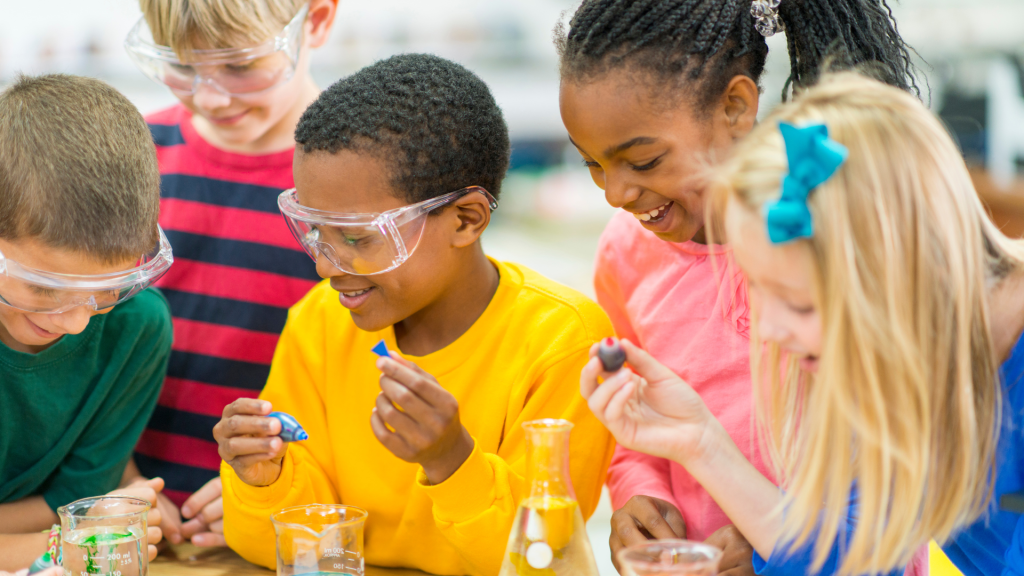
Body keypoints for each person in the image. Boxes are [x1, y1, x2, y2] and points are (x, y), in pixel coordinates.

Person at [582, 72, 1024, 575]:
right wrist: (699, 442)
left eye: (800, 303)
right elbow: (853, 556)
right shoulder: (910, 353)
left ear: (903, 267)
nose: (767, 330)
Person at [215, 53, 617, 575]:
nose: (323, 266)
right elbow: (282, 543)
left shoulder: (563, 341)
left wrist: (451, 459)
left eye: (357, 237)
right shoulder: (318, 322)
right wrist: (262, 476)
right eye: (315, 231)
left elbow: (539, 561)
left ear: (466, 219)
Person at [554, 0, 919, 572]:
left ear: (736, 106)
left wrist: (774, 542)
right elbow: (634, 415)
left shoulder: (817, 236)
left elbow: (883, 476)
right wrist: (638, 495)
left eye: (643, 161)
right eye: (593, 165)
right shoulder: (623, 252)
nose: (615, 193)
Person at [119, 0, 338, 548]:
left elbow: (367, 377)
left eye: (240, 66)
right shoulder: (132, 158)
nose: (211, 96)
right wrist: (121, 480)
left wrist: (270, 491)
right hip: (133, 511)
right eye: (183, 67)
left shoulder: (355, 187)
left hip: (287, 516)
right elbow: (89, 348)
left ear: (316, 21)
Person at [0, 74, 172, 569]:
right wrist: (72, 544)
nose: (76, 323)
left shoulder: (135, 327)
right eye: (45, 289)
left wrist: (90, 525)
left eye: (105, 291)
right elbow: (75, 522)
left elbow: (78, 495)